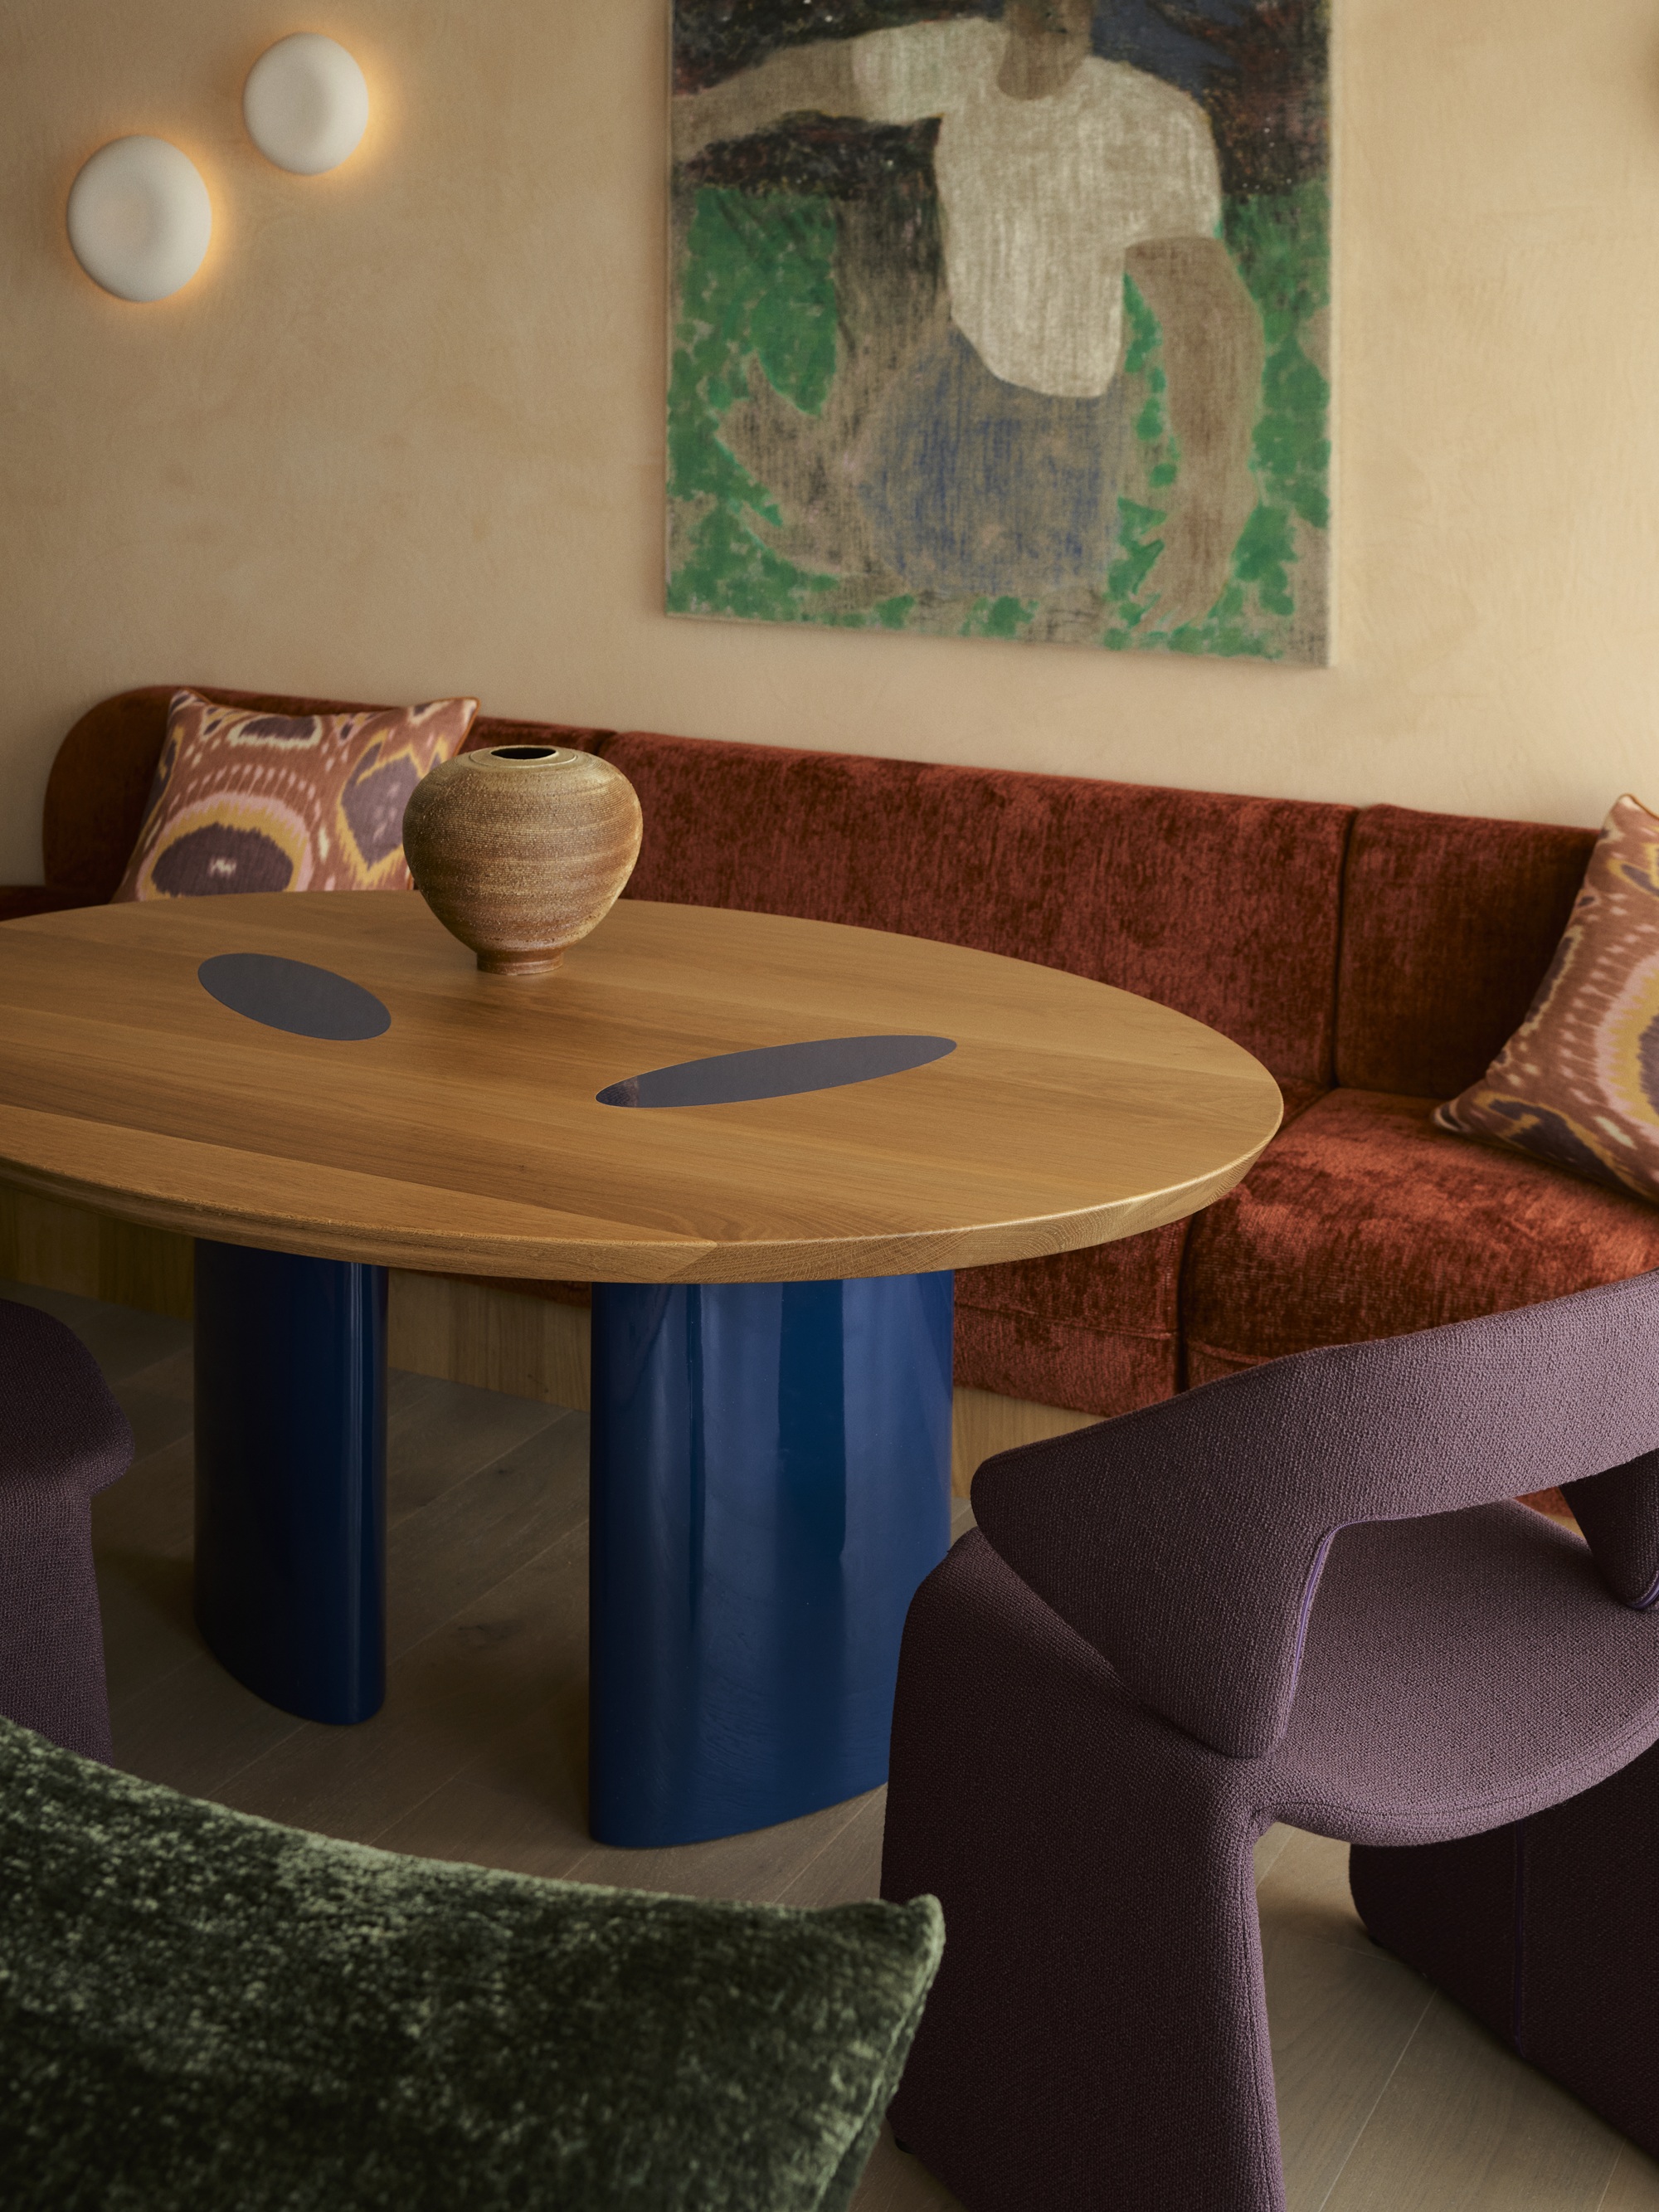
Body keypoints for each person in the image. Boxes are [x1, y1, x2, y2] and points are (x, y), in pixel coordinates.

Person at [674, 0, 1263, 623]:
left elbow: (1210, 319)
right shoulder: (964, 60)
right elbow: (816, 74)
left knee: (1008, 600)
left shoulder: (1146, 124)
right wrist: (698, 118)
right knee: (885, 559)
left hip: (1056, 418)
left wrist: (1212, 493)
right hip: (957, 367)